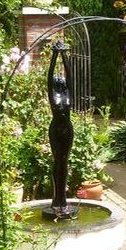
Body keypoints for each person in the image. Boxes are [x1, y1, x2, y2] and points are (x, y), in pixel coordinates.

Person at [46, 40, 77, 218]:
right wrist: (54, 55)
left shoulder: (67, 93)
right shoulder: (53, 95)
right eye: (56, 79)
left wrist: (64, 54)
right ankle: (56, 199)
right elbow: (50, 75)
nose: (59, 78)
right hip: (55, 129)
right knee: (57, 160)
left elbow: (69, 74)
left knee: (64, 161)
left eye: (61, 78)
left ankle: (62, 199)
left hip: (67, 130)